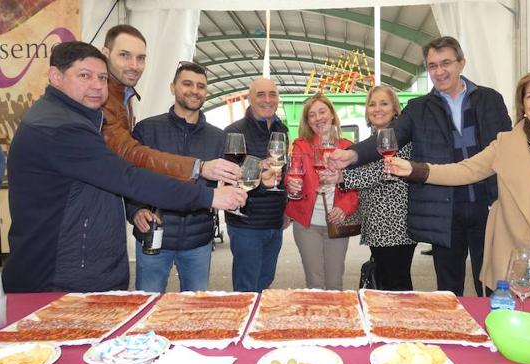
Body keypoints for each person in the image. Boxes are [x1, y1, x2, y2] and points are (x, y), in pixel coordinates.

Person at [3, 41, 247, 293]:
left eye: (102, 78)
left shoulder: (75, 119)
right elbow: (129, 177)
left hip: (75, 268)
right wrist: (207, 194)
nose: (97, 86)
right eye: (84, 76)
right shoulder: (62, 128)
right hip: (59, 276)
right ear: (55, 76)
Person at [387, 67, 530, 290]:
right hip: (523, 263)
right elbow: (464, 170)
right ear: (523, 103)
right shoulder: (506, 142)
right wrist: (415, 170)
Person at [328, 36, 512, 296]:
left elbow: (508, 149)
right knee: (448, 291)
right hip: (444, 209)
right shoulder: (419, 108)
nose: (439, 71)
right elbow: (389, 137)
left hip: (489, 206)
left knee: (494, 286)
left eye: (445, 63)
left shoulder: (489, 99)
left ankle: (493, 332)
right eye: (433, 65)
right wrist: (351, 155)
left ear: (461, 63)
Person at [126, 62, 232, 292]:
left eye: (201, 86)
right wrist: (135, 210)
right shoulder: (147, 129)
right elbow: (129, 176)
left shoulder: (217, 137)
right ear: (172, 87)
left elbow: (232, 179)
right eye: (187, 84)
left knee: (194, 313)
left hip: (198, 242)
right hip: (154, 237)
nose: (195, 90)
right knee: (147, 306)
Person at [102, 25, 233, 184]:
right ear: (105, 54)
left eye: (141, 58)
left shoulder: (219, 137)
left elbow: (232, 179)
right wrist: (198, 167)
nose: (134, 65)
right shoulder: (144, 126)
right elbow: (129, 156)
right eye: (124, 55)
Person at [322, 86, 415, 290]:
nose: (377, 109)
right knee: (384, 280)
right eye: (372, 104)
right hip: (377, 225)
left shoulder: (401, 137)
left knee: (397, 283)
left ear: (395, 109)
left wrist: (343, 177)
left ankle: (402, 321)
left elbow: (383, 171)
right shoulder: (369, 141)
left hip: (395, 225)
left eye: (384, 103)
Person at [285, 94, 359, 290]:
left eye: (322, 111)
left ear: (332, 115)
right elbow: (293, 173)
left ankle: (336, 321)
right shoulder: (300, 145)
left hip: (336, 222)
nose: (318, 118)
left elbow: (355, 187)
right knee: (315, 283)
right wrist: (291, 183)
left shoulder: (347, 147)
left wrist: (344, 207)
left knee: (335, 283)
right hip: (307, 225)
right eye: (312, 115)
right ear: (308, 122)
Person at [224, 78, 289, 292]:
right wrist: (258, 172)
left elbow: (283, 171)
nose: (268, 100)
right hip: (246, 224)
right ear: (250, 98)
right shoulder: (234, 131)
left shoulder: (282, 130)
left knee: (265, 281)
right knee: (246, 287)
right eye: (261, 94)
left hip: (274, 222)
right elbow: (228, 179)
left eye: (273, 94)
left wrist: (287, 204)